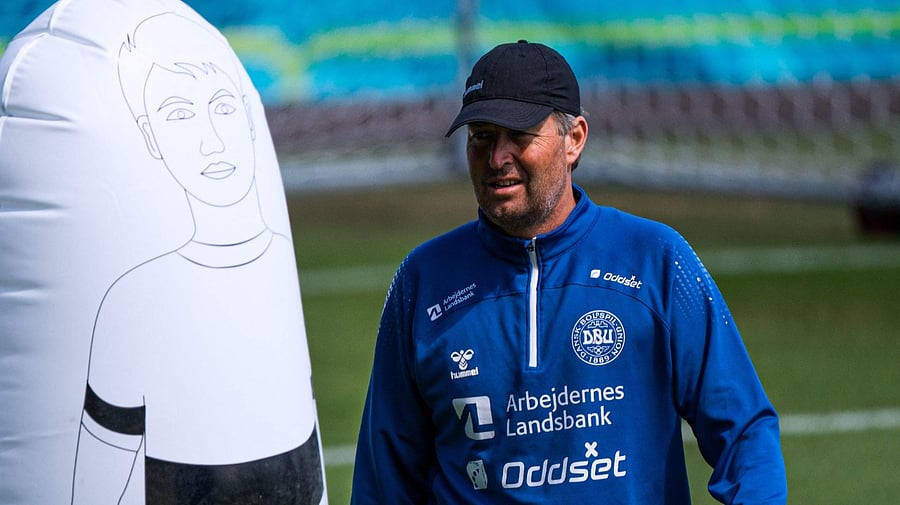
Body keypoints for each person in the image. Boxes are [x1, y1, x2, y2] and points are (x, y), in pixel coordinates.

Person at [351, 40, 787, 504]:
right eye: (481, 135)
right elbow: (386, 477)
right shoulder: (422, 281)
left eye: (518, 136)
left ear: (574, 139)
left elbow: (744, 432)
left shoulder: (656, 259)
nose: (497, 158)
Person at [71, 12, 324, 504]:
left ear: (249, 119)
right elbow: (93, 489)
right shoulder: (132, 301)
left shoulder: (276, 270)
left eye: (222, 107)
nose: (211, 140)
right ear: (149, 134)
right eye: (180, 114)